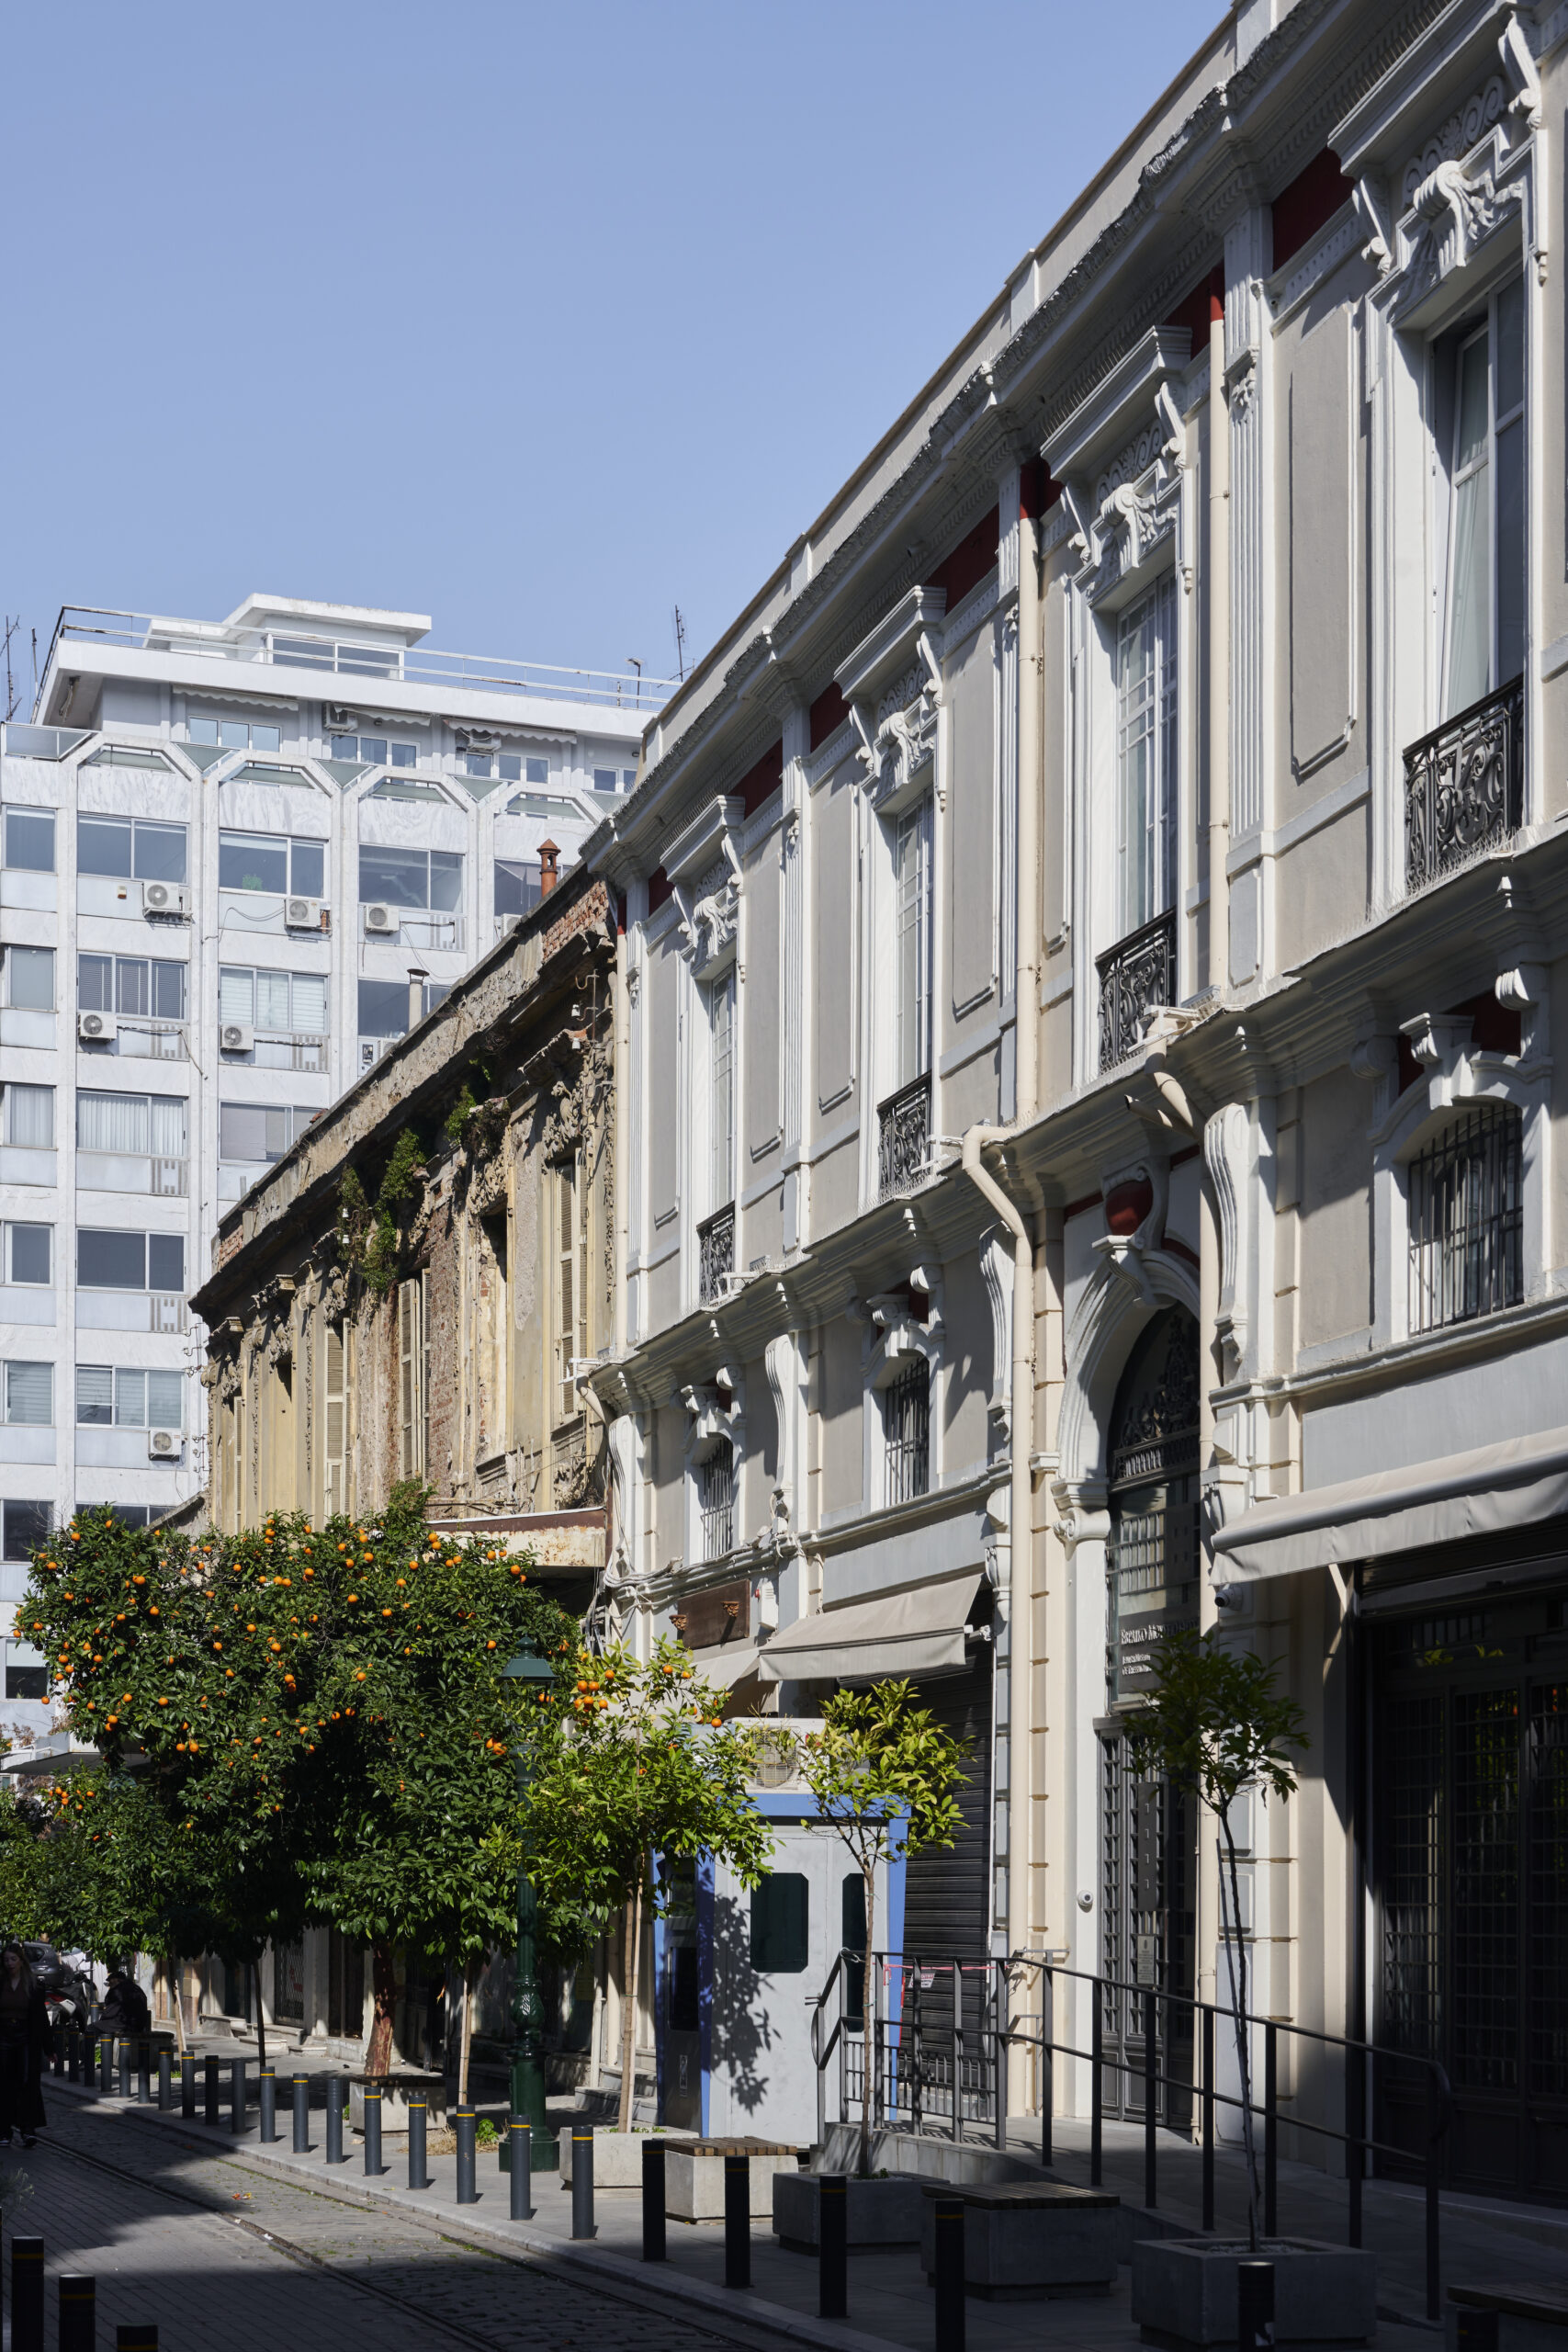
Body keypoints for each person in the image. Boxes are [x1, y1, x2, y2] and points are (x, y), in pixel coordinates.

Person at [0, 1943, 53, 2147]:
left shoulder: (33, 1985)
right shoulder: (1, 1982)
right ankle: (4, 2131)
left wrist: (49, 2048)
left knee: (26, 2083)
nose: (10, 1963)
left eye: (13, 1959)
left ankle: (27, 2129)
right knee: (4, 2084)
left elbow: (40, 2018)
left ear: (21, 1961)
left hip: (24, 2037)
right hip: (3, 2035)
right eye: (6, 1960)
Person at [99, 1966, 151, 2038]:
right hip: (140, 2024)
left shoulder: (118, 1991)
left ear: (116, 1980)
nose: (109, 1984)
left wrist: (101, 2021)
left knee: (92, 2028)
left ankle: (92, 2049)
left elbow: (110, 2012)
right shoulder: (136, 1988)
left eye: (110, 1981)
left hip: (126, 2023)